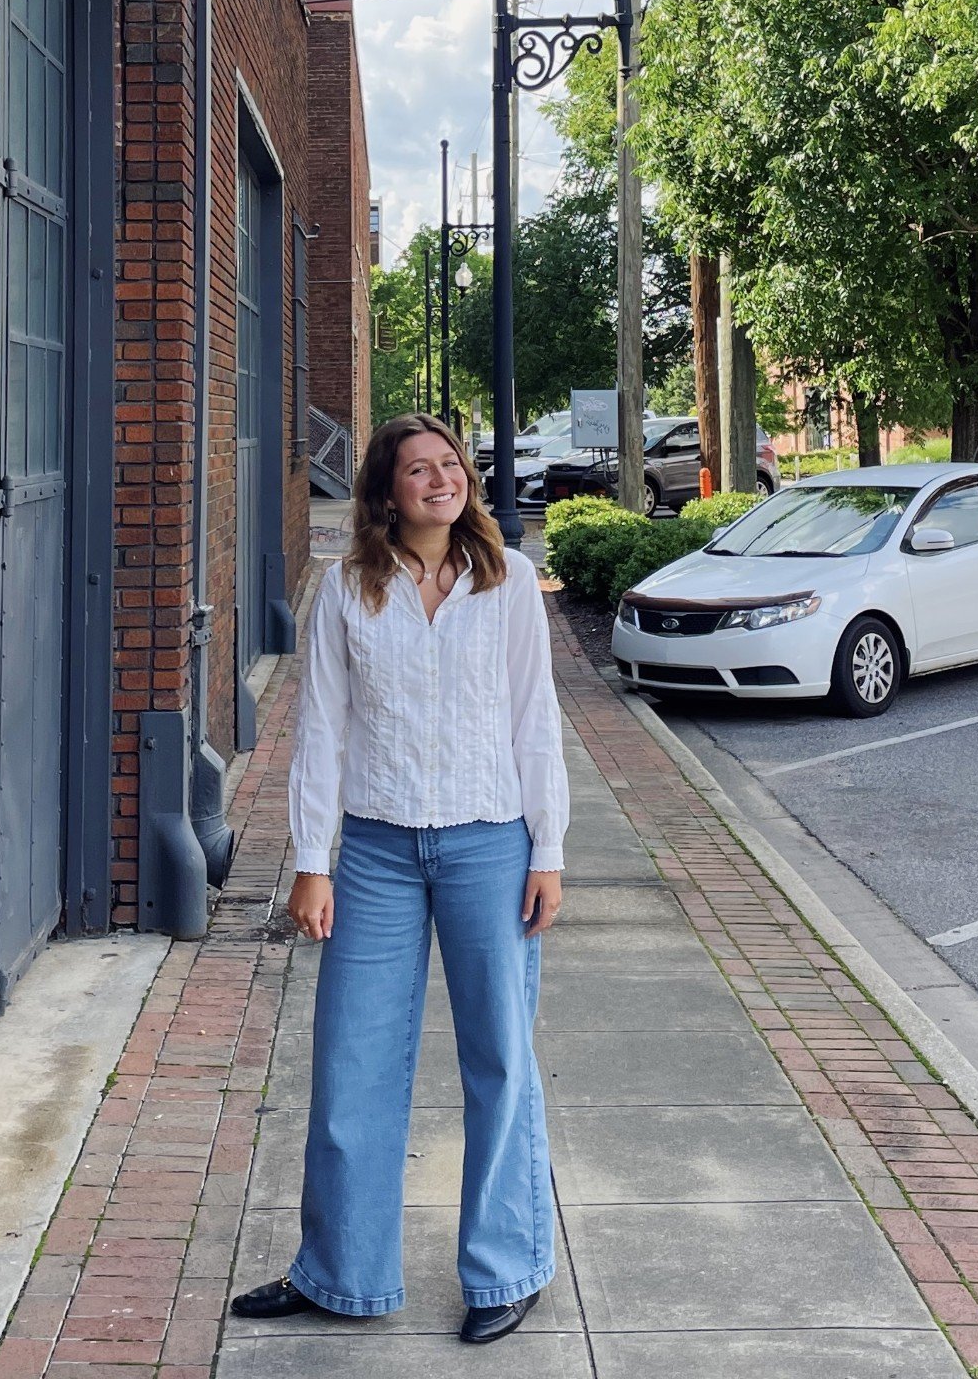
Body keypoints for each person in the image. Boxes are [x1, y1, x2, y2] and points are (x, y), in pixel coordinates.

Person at [230, 410, 570, 1345]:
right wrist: (312, 862)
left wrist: (548, 850)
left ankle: (506, 1268)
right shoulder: (347, 590)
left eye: (450, 464)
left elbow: (535, 719)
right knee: (351, 1061)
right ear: (385, 489)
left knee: (500, 1058)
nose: (440, 479)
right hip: (377, 851)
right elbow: (321, 730)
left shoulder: (508, 581)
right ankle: (340, 1271)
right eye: (418, 468)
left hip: (489, 844)